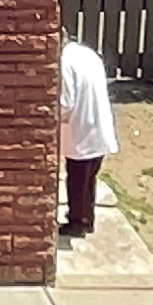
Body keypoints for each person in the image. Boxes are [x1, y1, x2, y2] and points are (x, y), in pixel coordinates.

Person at [60, 36, 118, 236]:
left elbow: (65, 103)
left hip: (82, 132)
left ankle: (78, 222)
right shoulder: (87, 53)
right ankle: (87, 218)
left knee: (77, 182)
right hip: (99, 126)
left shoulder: (64, 62)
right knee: (88, 180)